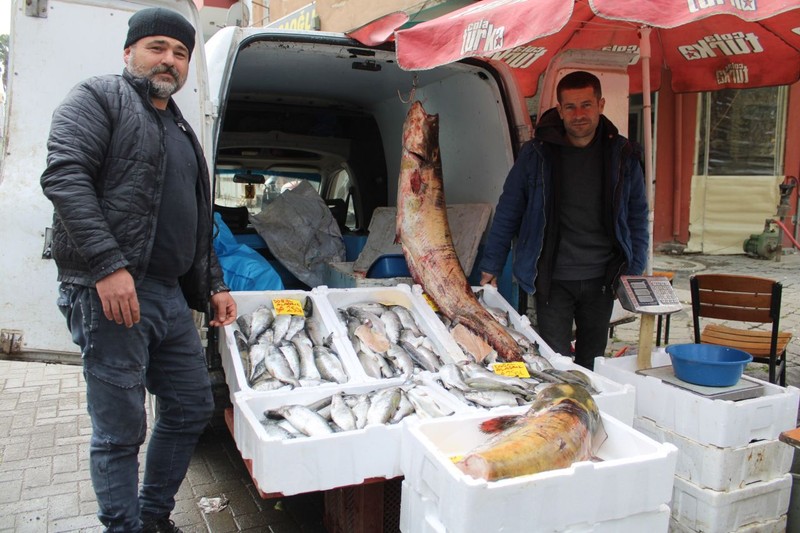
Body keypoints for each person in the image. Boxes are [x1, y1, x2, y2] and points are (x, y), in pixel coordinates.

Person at [40, 8, 237, 532]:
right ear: (129, 52)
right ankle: (123, 527)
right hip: (110, 292)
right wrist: (108, 265)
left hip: (169, 294)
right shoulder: (97, 98)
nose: (169, 60)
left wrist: (213, 283)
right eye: (157, 47)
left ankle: (153, 517)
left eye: (180, 53)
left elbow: (195, 222)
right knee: (121, 430)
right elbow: (64, 177)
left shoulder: (181, 128)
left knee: (192, 406)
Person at [479, 70, 648, 370]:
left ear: (601, 104)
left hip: (602, 279)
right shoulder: (536, 153)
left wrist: (634, 271)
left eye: (586, 105)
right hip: (551, 280)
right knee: (553, 362)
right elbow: (509, 211)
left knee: (592, 363)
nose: (579, 114)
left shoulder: (622, 154)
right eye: (570, 107)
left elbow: (637, 216)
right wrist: (491, 265)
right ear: (559, 110)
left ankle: (586, 410)